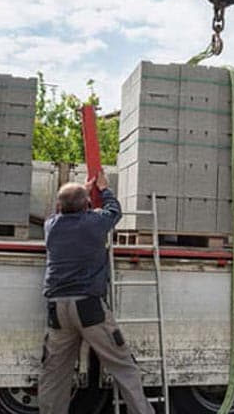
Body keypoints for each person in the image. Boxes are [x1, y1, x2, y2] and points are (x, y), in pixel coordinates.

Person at [38, 171, 153, 414]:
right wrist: (103, 189)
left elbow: (62, 209)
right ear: (88, 205)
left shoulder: (51, 227)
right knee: (124, 366)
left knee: (54, 373)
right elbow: (114, 211)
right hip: (89, 308)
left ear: (59, 206)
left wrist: (82, 192)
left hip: (57, 310)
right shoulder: (94, 223)